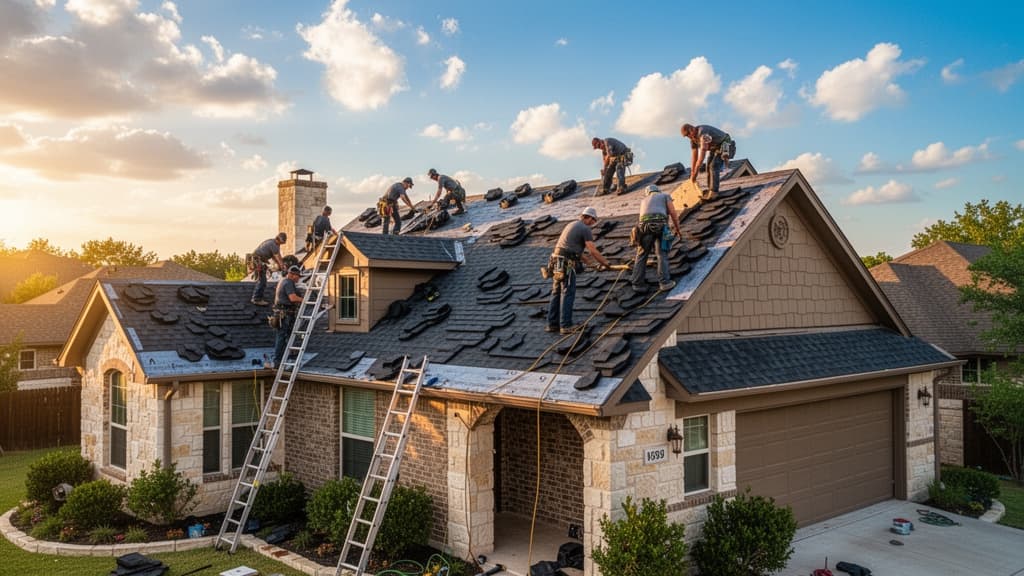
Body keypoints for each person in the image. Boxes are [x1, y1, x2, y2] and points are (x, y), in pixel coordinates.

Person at [546, 207, 610, 334]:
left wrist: (593, 265)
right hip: (567, 262)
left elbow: (579, 254)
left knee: (556, 291)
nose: (593, 224)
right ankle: (566, 325)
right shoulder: (584, 228)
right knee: (568, 291)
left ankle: (552, 324)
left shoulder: (572, 224)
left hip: (557, 260)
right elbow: (593, 250)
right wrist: (606, 263)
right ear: (589, 217)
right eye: (593, 221)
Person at [630, 185, 682, 293]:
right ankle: (664, 283)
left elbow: (642, 218)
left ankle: (637, 284)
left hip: (643, 228)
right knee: (661, 254)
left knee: (641, 255)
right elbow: (672, 212)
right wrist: (677, 229)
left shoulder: (644, 200)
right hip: (660, 226)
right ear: (658, 190)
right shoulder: (665, 196)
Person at [681, 123, 734, 200]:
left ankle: (714, 191)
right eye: (687, 136)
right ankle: (710, 189)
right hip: (715, 147)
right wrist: (692, 173)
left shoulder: (703, 132)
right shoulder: (693, 140)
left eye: (688, 135)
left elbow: (703, 152)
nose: (689, 137)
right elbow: (694, 156)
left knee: (714, 166)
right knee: (708, 166)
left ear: (692, 129)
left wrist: (696, 172)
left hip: (725, 143)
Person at [268, 265, 304, 370]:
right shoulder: (289, 283)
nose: (298, 278)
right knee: (282, 337)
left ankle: (282, 359)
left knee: (284, 337)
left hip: (281, 313)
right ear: (292, 275)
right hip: (285, 314)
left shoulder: (282, 281)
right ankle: (279, 361)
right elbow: (292, 298)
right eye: (297, 276)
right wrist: (304, 299)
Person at [250, 232, 287, 306]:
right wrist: (283, 267)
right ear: (279, 239)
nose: (281, 244)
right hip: (257, 261)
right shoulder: (274, 245)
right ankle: (256, 298)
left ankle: (258, 297)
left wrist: (280, 265)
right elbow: (278, 258)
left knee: (262, 279)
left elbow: (275, 257)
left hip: (257, 260)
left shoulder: (273, 243)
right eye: (281, 242)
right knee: (262, 280)